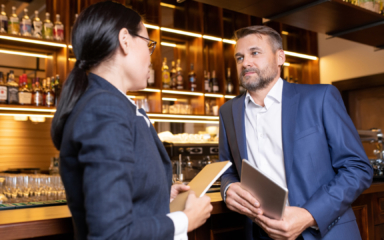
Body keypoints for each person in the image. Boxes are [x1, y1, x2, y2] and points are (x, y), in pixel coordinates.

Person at [50, 1, 212, 239]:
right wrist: (184, 220)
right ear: (125, 40)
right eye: (149, 45)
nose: (150, 58)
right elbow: (111, 233)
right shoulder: (104, 109)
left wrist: (158, 193)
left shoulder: (112, 105)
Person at [219, 25, 373, 240]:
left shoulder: (320, 98)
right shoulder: (228, 111)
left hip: (323, 232)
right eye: (239, 57)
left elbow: (358, 168)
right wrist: (228, 188)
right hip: (261, 233)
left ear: (280, 57)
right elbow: (227, 169)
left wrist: (309, 215)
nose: (246, 62)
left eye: (255, 53)